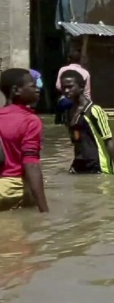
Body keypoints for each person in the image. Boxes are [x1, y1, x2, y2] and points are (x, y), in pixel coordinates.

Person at [0, 68, 50, 212]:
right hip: (12, 190)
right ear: (16, 90)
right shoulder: (30, 121)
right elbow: (31, 165)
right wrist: (45, 211)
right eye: (33, 86)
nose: (38, 89)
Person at [59, 69, 114, 176]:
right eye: (63, 87)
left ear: (81, 87)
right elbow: (76, 141)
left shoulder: (94, 110)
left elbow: (109, 142)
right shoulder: (68, 112)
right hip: (79, 165)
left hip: (98, 166)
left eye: (70, 87)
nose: (66, 91)